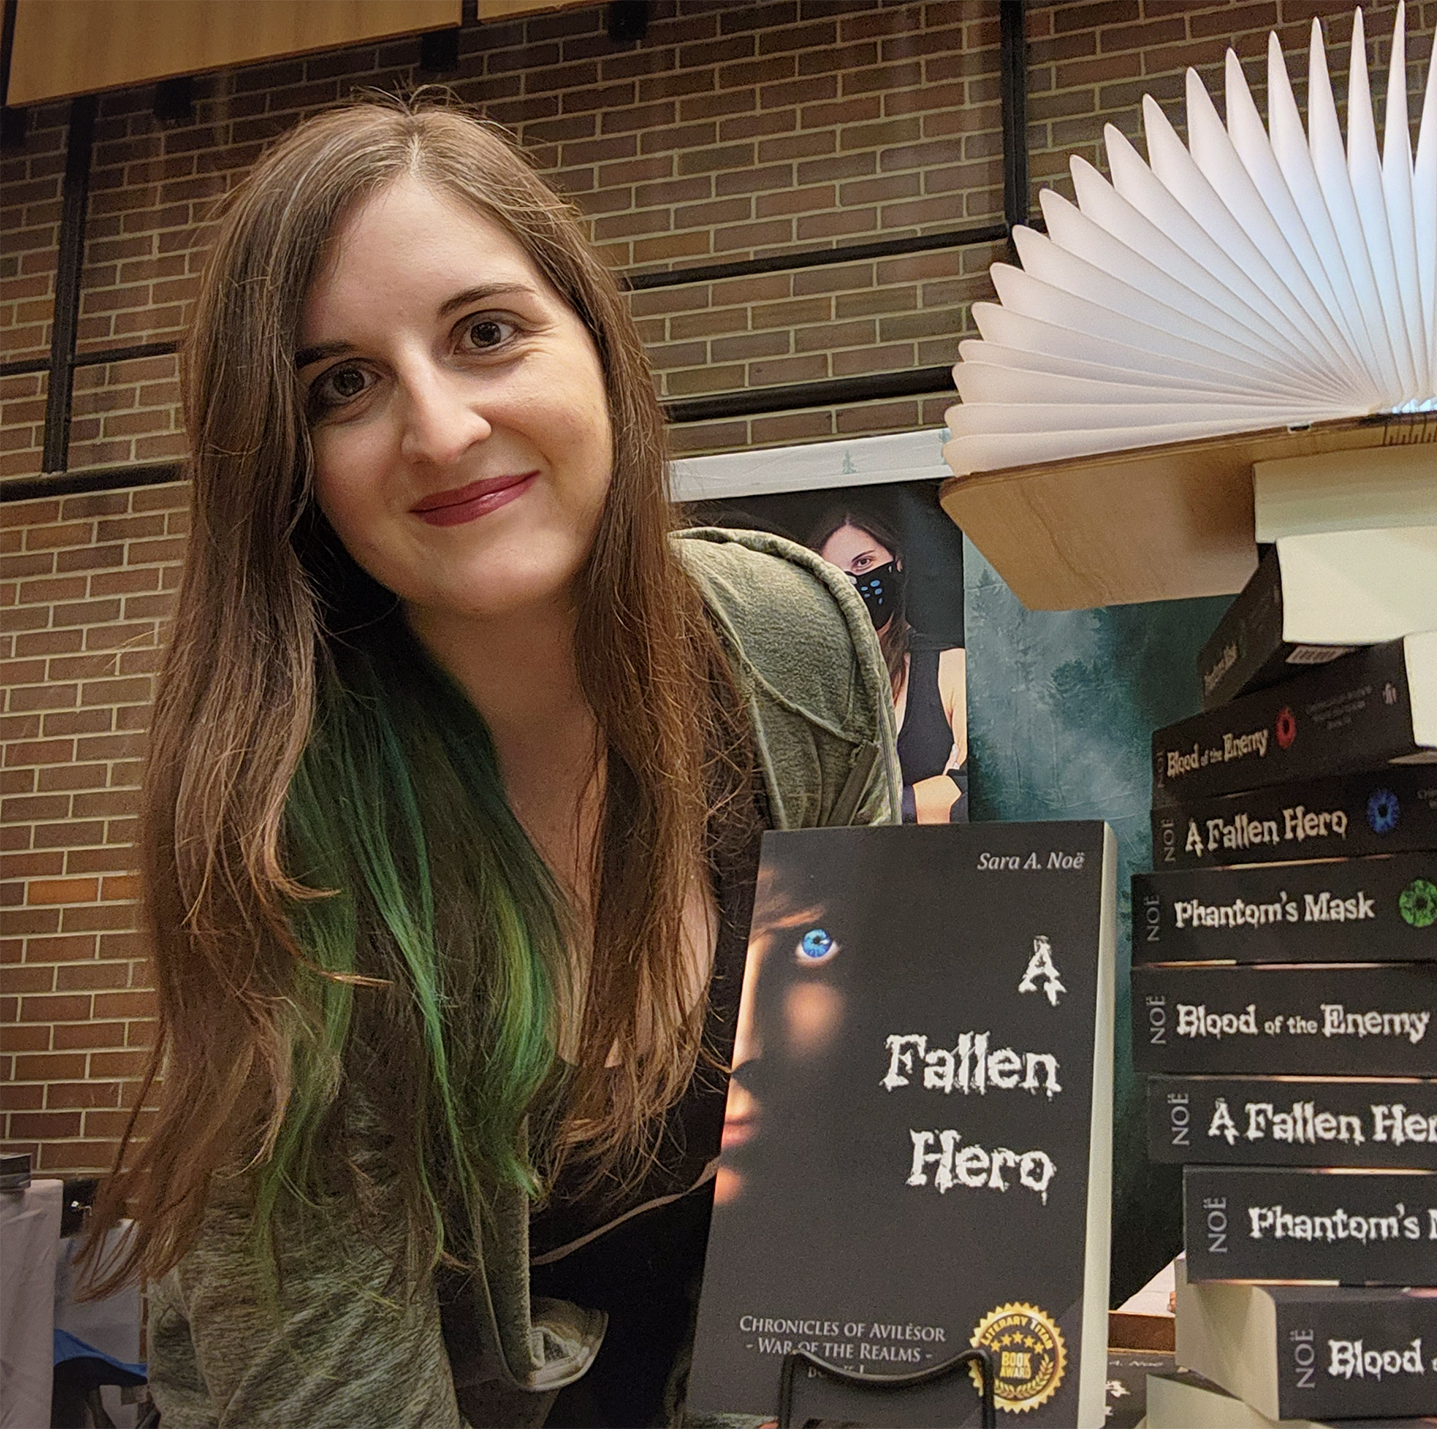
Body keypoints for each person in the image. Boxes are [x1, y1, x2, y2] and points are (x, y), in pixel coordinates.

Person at [75, 99, 900, 1428]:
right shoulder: (281, 818)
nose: (444, 430)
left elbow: (858, 1138)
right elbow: (330, 1382)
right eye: (341, 384)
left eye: (486, 332)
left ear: (598, 345)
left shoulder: (794, 645)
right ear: (290, 471)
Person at [809, 511, 968, 823]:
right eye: (836, 575)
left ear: (897, 563)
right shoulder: (817, 683)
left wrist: (865, 813)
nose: (853, 583)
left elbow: (975, 789)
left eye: (864, 563)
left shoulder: (949, 668)